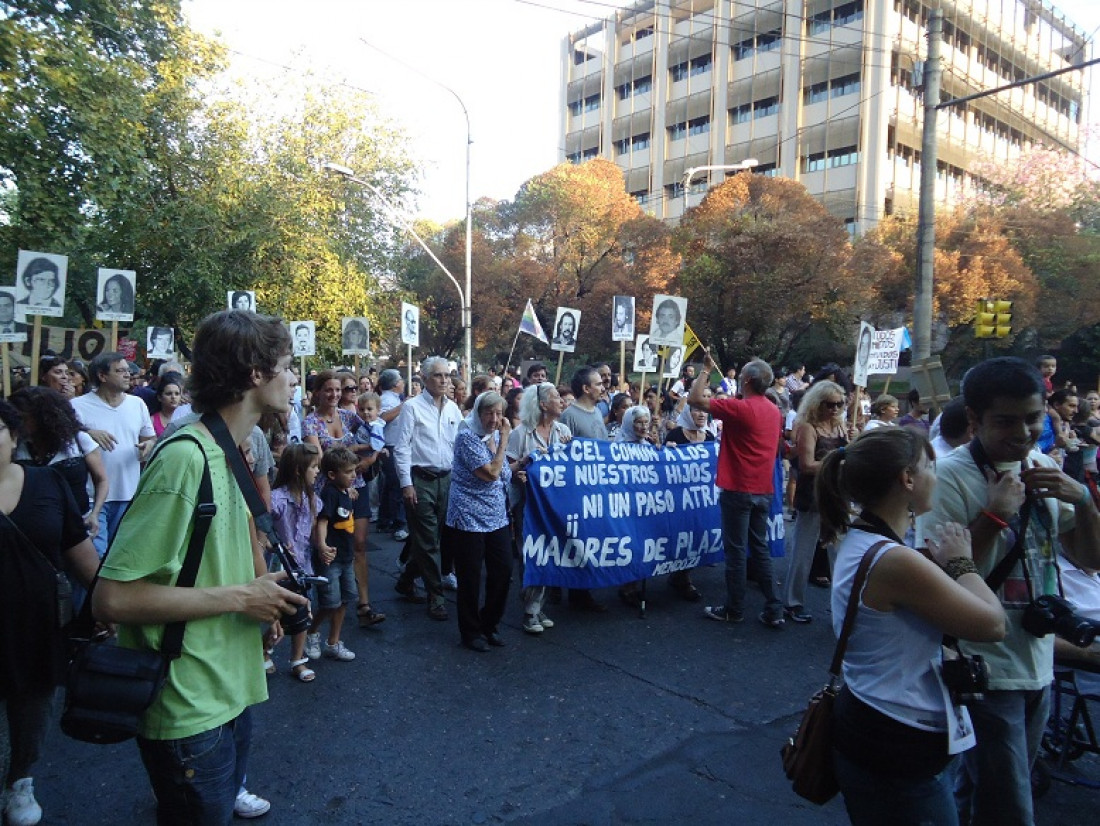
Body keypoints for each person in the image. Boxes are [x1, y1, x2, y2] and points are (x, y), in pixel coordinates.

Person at [93, 309, 308, 825]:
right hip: (189, 706)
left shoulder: (226, 446)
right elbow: (112, 599)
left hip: (230, 690)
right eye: (287, 365)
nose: (295, 377)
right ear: (255, 373)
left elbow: (217, 554)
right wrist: (241, 598)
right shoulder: (185, 458)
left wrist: (263, 600)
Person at [917, 356, 1100, 826]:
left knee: (980, 789)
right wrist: (996, 515)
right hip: (984, 667)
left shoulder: (1041, 465)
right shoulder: (949, 478)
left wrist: (1080, 497)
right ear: (974, 420)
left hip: (1037, 657)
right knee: (1010, 807)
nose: (1023, 432)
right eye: (1006, 421)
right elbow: (940, 579)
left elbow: (1092, 556)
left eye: (1033, 418)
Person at [817, 427, 1006, 825]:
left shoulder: (862, 537)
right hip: (897, 739)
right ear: (907, 479)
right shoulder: (896, 562)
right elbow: (992, 624)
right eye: (930, 467)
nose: (936, 476)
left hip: (871, 717)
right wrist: (961, 562)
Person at [0, 399, 99, 826]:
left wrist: (103, 601)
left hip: (36, 626)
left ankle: (20, 780)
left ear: (14, 436)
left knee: (33, 708)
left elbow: (78, 551)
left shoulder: (47, 483)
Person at [689, 355, 785, 627]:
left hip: (738, 489)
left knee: (736, 551)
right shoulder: (773, 410)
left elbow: (696, 400)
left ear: (746, 381)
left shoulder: (740, 408)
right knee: (760, 549)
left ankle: (734, 608)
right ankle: (774, 608)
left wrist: (705, 370)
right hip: (762, 490)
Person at [302, 370, 379, 630]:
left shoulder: (348, 416)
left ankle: (364, 605)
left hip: (356, 488)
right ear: (318, 393)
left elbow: (374, 429)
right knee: (329, 546)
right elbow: (323, 461)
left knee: (358, 544)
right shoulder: (310, 422)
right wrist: (355, 452)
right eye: (329, 390)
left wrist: (374, 455)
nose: (335, 394)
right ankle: (320, 610)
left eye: (338, 390)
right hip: (329, 493)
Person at [392, 356, 464, 620]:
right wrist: (407, 484)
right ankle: (436, 597)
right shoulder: (411, 407)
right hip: (420, 479)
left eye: (447, 375)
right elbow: (402, 448)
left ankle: (406, 578)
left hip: (447, 479)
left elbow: (460, 445)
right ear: (424, 379)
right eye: (438, 375)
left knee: (433, 539)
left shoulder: (454, 409)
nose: (444, 380)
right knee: (428, 541)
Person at [444, 392, 516, 652]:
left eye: (499, 414)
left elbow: (506, 472)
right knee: (470, 577)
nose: (495, 419)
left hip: (496, 516)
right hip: (468, 516)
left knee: (503, 570)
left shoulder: (494, 436)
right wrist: (506, 438)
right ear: (478, 413)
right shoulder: (467, 437)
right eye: (489, 413)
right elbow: (491, 473)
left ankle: (490, 624)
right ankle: (471, 631)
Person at [70, 352, 157, 548]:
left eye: (128, 371)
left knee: (119, 556)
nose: (128, 375)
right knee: (96, 558)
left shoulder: (137, 404)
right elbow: (64, 437)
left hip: (129, 495)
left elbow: (150, 438)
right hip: (92, 498)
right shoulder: (77, 406)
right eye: (120, 371)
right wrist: (88, 432)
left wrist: (149, 445)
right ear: (102, 376)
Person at [782, 379, 849, 623]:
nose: (835, 409)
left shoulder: (841, 426)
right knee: (803, 550)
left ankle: (841, 603)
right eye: (830, 404)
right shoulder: (808, 427)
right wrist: (840, 459)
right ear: (817, 404)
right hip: (813, 494)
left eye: (839, 404)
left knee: (839, 552)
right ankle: (792, 602)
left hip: (837, 494)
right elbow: (807, 465)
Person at [507, 382, 570, 634]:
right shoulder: (520, 434)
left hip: (555, 506)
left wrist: (572, 447)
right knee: (531, 555)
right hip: (527, 505)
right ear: (543, 404)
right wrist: (520, 472)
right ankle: (531, 610)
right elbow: (507, 470)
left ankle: (536, 606)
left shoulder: (563, 431)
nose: (562, 401)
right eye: (556, 398)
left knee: (549, 552)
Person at [270, 443, 323, 682]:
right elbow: (262, 533)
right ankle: (264, 650)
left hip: (303, 567)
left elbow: (312, 533)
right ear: (299, 470)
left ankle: (297, 660)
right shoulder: (276, 500)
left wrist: (322, 546)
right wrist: (274, 543)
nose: (317, 471)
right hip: (280, 569)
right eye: (313, 467)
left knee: (302, 616)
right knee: (281, 615)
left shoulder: (313, 500)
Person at [304, 447, 360, 665]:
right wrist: (322, 545)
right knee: (329, 602)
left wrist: (351, 491)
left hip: (346, 556)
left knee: (345, 599)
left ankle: (333, 642)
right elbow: (323, 521)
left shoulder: (345, 491)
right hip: (331, 558)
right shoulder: (329, 493)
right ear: (332, 475)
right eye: (348, 472)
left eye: (354, 470)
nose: (353, 475)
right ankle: (312, 632)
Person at [376, 369, 408, 540]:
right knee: (397, 483)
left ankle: (385, 519)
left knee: (391, 485)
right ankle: (397, 522)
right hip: (391, 446)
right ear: (396, 384)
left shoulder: (394, 399)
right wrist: (404, 406)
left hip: (394, 445)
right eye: (401, 380)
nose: (403, 383)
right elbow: (383, 417)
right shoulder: (387, 400)